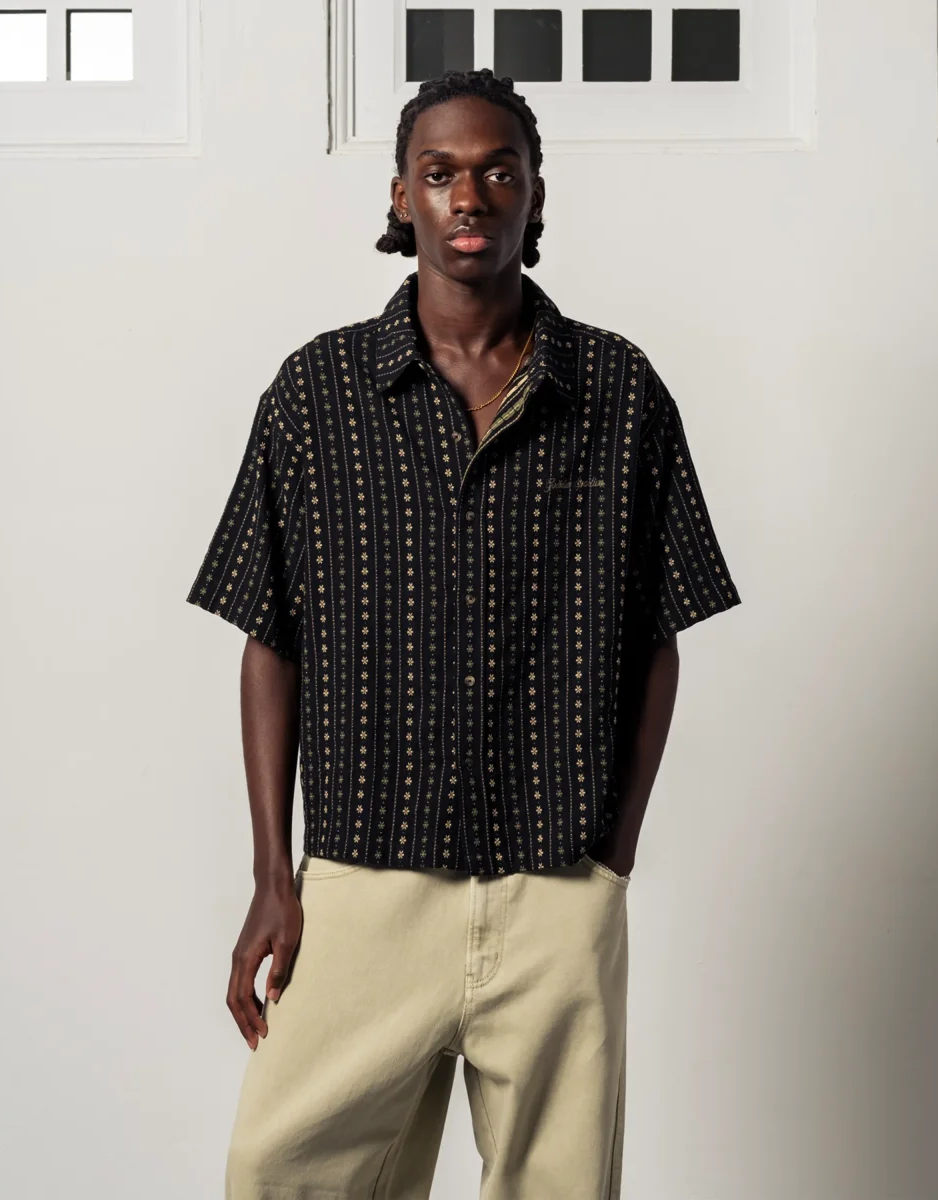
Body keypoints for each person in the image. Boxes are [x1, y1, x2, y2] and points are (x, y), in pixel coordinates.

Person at [186, 66, 741, 1200]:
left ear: (536, 194)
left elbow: (659, 633)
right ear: (403, 197)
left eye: (498, 171)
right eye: (439, 173)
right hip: (364, 881)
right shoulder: (316, 395)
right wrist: (273, 876)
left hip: (554, 888)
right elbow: (269, 638)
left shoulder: (619, 390)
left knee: (559, 1187)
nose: (470, 196)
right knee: (277, 1173)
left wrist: (612, 859)